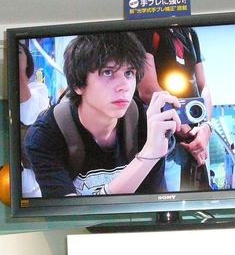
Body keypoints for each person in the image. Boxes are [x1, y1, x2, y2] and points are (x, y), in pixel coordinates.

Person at [24, 32, 182, 198]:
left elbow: (152, 205)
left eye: (129, 73)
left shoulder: (146, 122)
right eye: (108, 72)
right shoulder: (45, 135)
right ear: (78, 84)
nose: (124, 86)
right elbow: (71, 216)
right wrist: (148, 155)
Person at [135, 27, 212, 191]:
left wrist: (206, 128)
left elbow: (204, 85)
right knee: (167, 196)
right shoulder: (146, 29)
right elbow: (147, 89)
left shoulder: (190, 33)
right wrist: (181, 126)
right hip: (163, 134)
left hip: (194, 135)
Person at [19, 42, 50, 198]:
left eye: (19, 52)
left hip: (31, 186)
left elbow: (27, 112)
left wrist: (18, 68)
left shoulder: (38, 90)